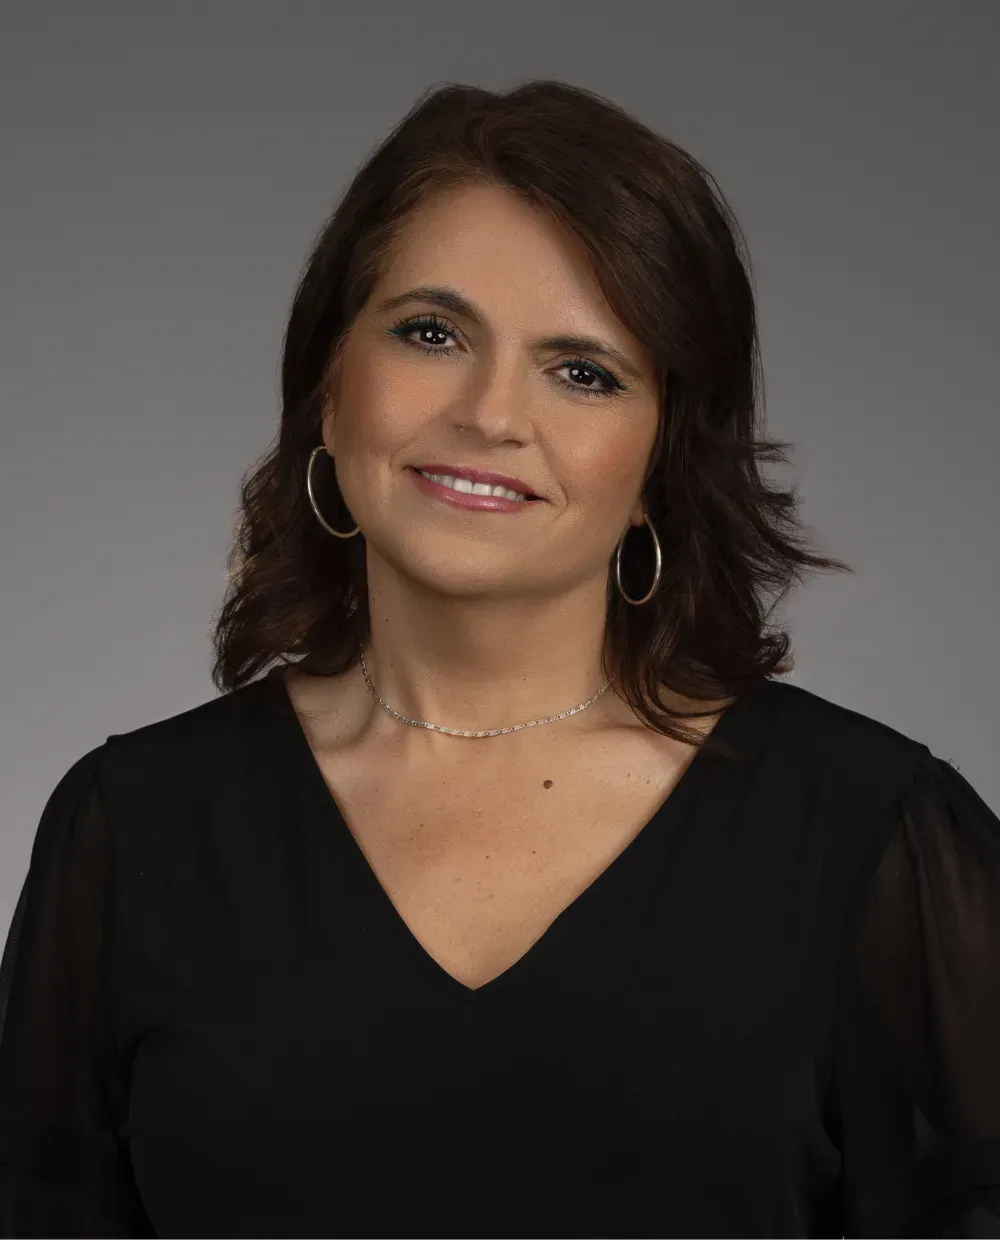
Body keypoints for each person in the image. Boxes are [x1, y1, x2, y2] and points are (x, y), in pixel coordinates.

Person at [1, 77, 998, 1240]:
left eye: (583, 370)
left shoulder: (876, 836)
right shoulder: (133, 831)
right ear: (331, 385)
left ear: (665, 456)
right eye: (431, 333)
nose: (488, 413)